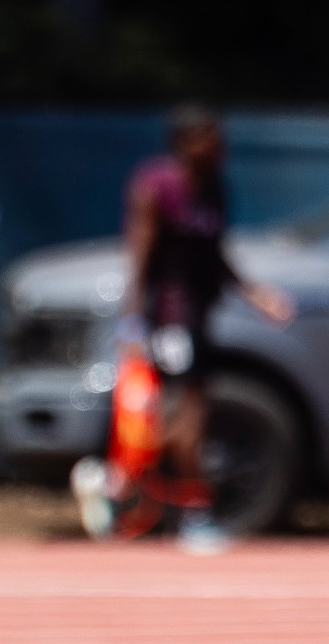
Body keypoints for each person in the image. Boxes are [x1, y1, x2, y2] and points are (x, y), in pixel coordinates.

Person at [109, 106, 291, 551]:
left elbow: (216, 253)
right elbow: (140, 256)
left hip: (200, 314)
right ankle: (191, 510)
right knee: (189, 412)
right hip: (169, 316)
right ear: (186, 141)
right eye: (211, 138)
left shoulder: (214, 188)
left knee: (188, 412)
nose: (220, 148)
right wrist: (132, 322)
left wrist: (255, 294)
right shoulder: (157, 185)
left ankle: (120, 480)